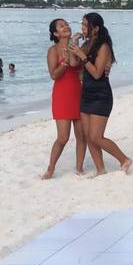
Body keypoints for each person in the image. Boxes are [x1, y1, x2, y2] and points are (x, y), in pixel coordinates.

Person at [67, 12, 133, 176]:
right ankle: (100, 170)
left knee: (96, 136)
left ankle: (124, 159)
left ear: (95, 28)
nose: (82, 28)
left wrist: (82, 56)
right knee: (88, 137)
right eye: (81, 24)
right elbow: (73, 63)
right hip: (86, 94)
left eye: (85, 25)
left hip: (100, 95)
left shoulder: (103, 47)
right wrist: (72, 44)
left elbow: (97, 74)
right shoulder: (86, 44)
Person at [43, 18, 87, 179]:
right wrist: (65, 63)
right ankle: (51, 168)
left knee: (82, 135)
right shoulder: (53, 50)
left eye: (66, 24)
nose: (66, 26)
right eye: (61, 26)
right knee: (63, 137)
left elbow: (80, 68)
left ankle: (79, 168)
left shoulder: (76, 47)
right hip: (62, 95)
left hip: (79, 92)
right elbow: (54, 75)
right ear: (56, 33)